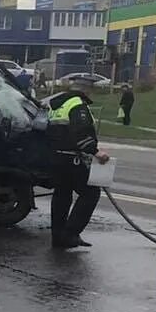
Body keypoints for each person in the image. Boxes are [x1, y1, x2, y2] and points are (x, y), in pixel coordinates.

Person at [46, 89, 110, 250]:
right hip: (72, 158)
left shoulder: (57, 106)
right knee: (90, 193)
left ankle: (58, 236)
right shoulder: (77, 105)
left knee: (62, 195)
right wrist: (96, 152)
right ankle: (70, 234)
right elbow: (79, 133)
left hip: (56, 157)